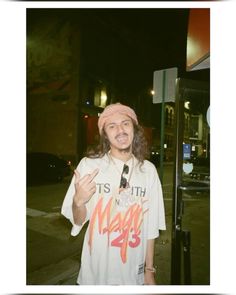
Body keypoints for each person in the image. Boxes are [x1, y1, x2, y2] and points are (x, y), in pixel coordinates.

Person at [61, 103, 166, 285]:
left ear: (134, 129)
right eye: (112, 126)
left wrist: (149, 270)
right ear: (105, 135)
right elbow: (77, 222)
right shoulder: (89, 166)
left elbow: (150, 227)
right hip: (95, 274)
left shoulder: (148, 171)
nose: (120, 130)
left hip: (133, 274)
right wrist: (78, 202)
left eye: (125, 123)